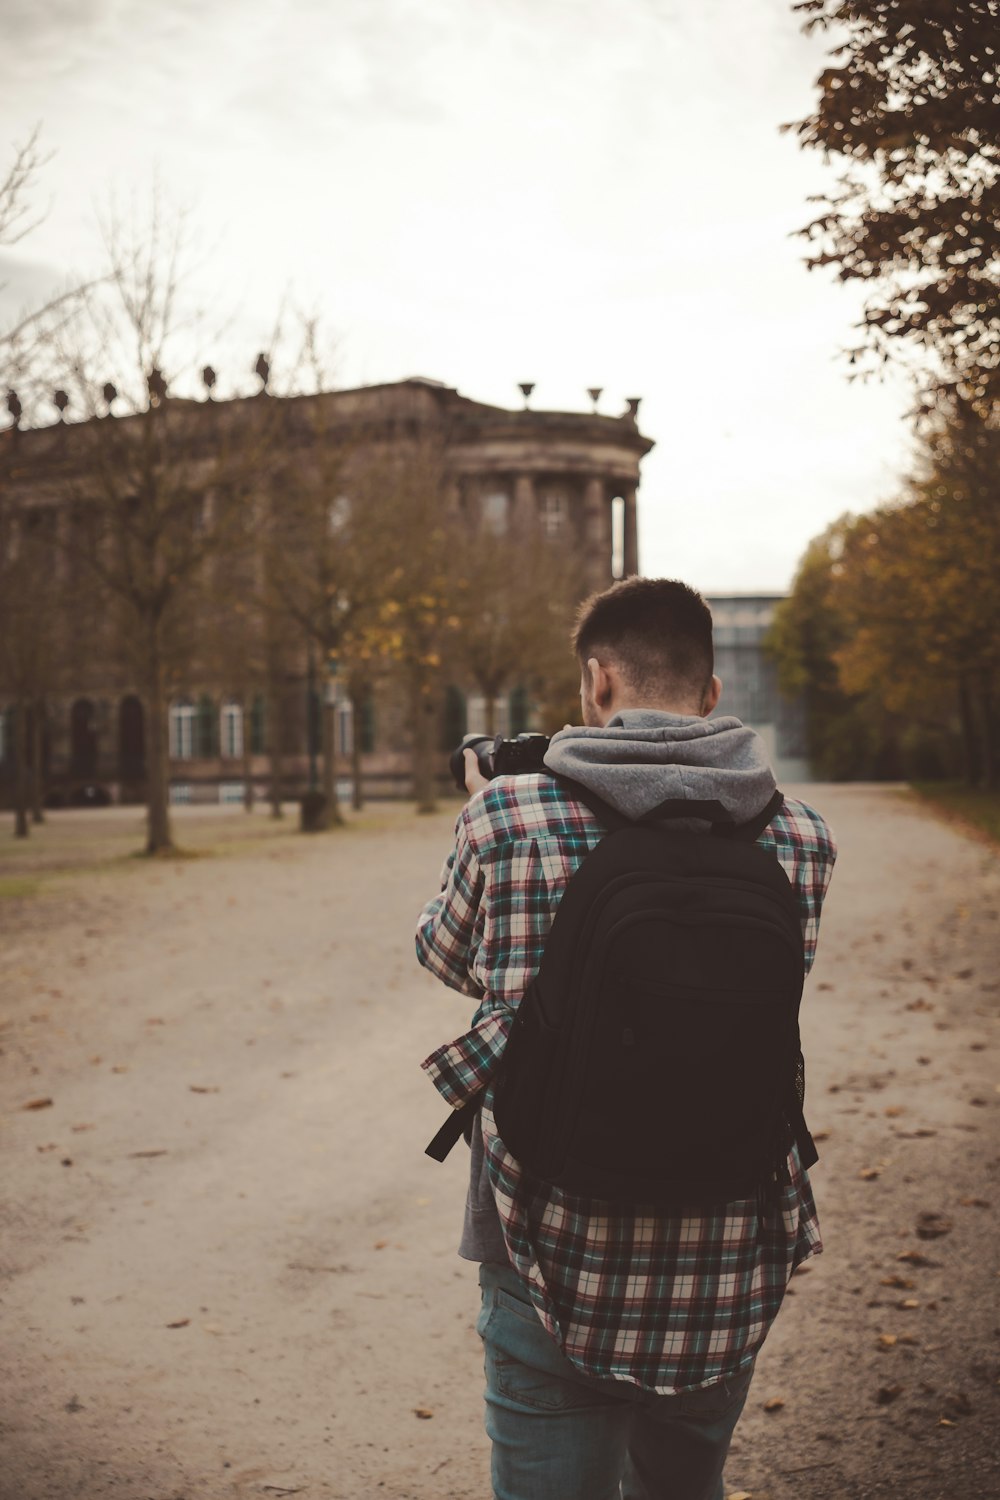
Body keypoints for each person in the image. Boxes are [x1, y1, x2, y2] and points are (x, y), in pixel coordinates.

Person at [415, 576, 836, 1500]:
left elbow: (445, 957)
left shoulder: (508, 815)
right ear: (713, 693)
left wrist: (491, 797)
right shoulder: (802, 838)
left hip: (545, 1237)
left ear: (597, 683)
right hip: (730, 1248)